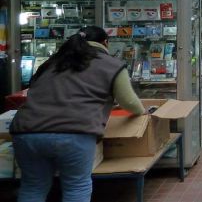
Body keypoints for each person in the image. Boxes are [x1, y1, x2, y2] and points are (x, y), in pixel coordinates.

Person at [11, 26, 145, 202]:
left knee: (33, 186)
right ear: (105, 42)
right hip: (74, 133)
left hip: (27, 131)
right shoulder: (111, 64)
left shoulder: (51, 63)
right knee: (76, 186)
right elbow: (129, 102)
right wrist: (143, 112)